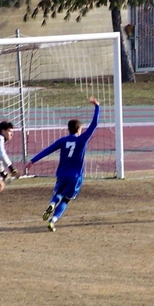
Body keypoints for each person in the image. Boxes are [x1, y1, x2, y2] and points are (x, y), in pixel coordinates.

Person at [24, 97, 100, 232]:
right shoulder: (82, 139)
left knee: (58, 193)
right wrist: (97, 107)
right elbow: (94, 125)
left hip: (61, 174)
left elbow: (47, 150)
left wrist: (32, 160)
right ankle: (52, 221)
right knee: (65, 200)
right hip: (75, 176)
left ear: (68, 129)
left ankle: (52, 203)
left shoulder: (62, 141)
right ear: (79, 130)